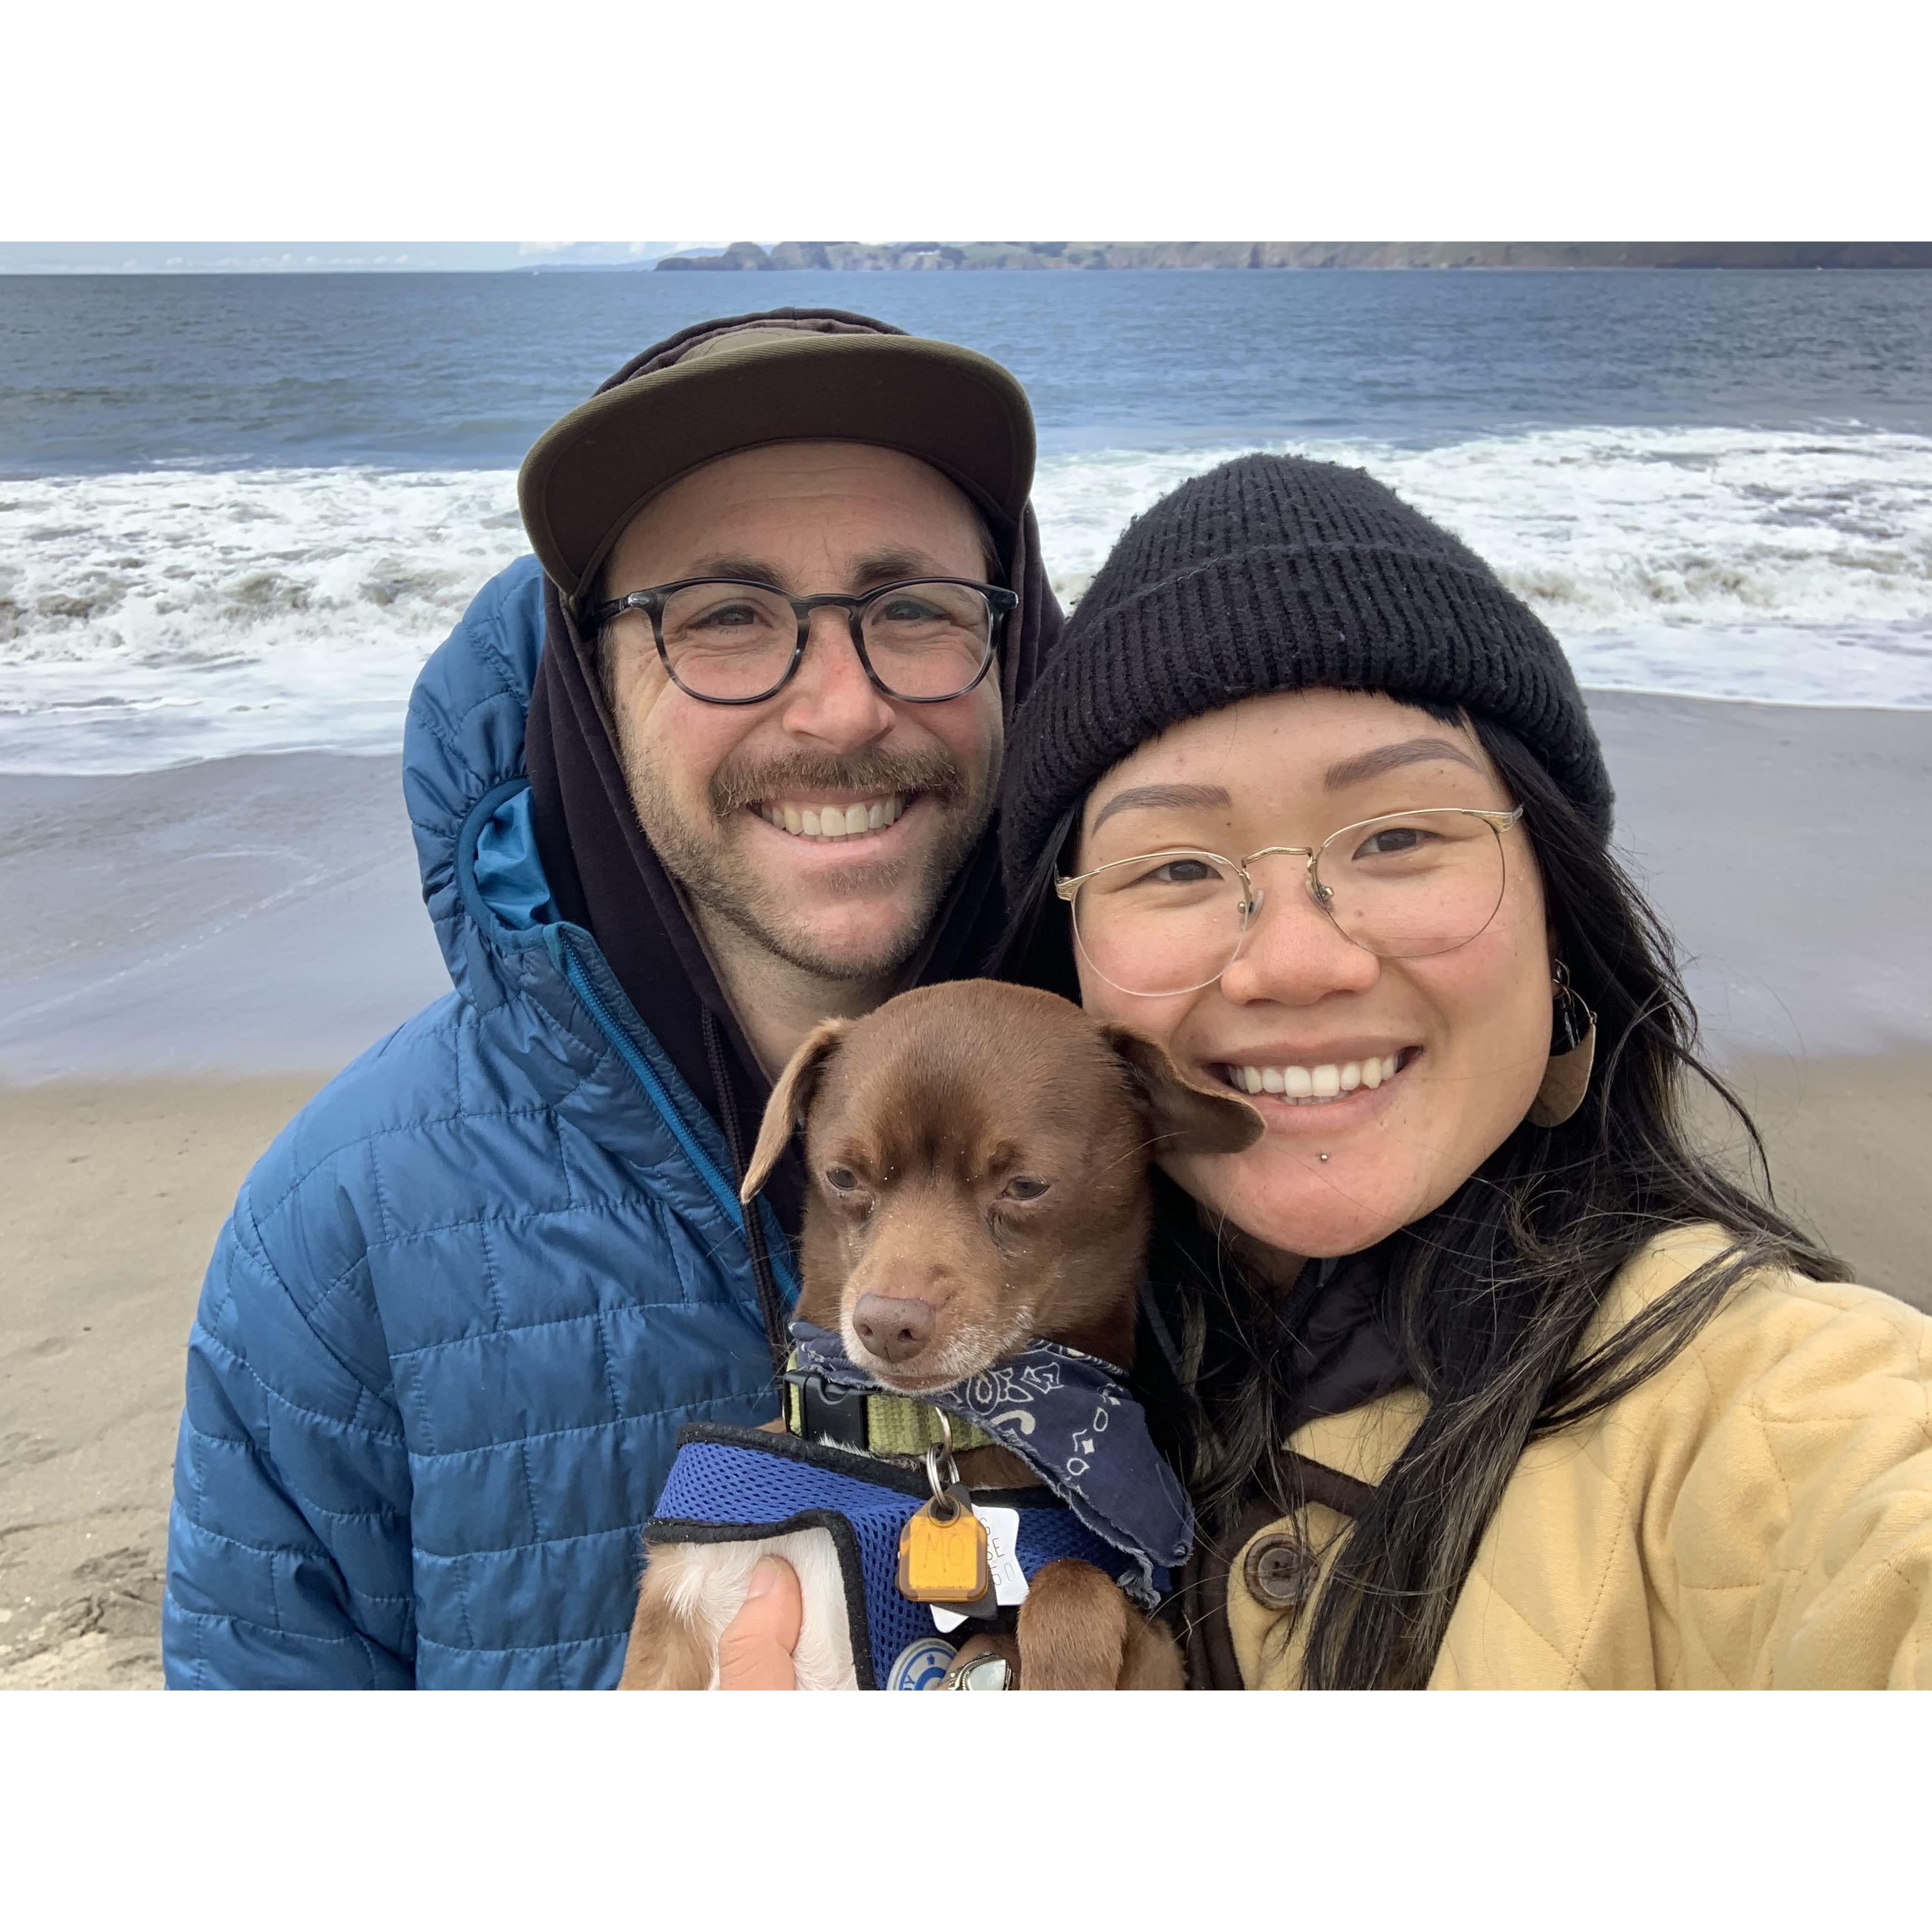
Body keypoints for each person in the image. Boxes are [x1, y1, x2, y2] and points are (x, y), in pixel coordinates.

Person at [161, 309, 1061, 1688]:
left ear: (1017, 652)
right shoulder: (335, 1233)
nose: (837, 709)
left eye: (916, 612)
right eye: (723, 618)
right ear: (588, 686)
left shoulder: (1179, 1138)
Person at [994, 453, 1932, 1689]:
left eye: (1394, 835)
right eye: (1172, 865)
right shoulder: (1000, 1380)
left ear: (1557, 917)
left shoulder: (1777, 1409)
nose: (1292, 957)